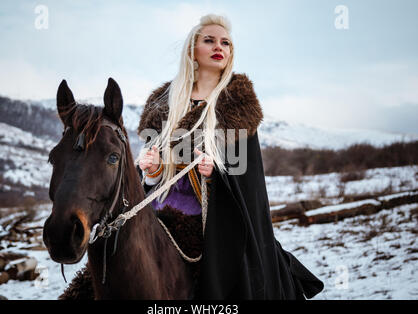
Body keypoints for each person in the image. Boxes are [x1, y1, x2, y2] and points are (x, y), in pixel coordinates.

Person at [135, 14, 324, 299]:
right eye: (208, 40)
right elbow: (153, 177)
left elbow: (245, 177)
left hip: (216, 215)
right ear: (192, 50)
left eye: (225, 43)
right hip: (162, 207)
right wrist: (151, 170)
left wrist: (216, 173)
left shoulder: (236, 103)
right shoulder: (163, 103)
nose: (218, 47)